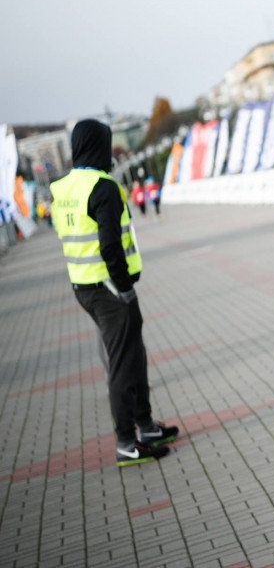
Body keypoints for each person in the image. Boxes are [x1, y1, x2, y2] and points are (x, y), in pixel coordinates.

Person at [50, 119, 179, 468]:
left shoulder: (63, 189)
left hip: (84, 286)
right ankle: (127, 441)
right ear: (99, 146)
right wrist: (124, 288)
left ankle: (147, 427)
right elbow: (110, 246)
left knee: (132, 355)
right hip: (109, 289)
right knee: (124, 364)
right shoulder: (102, 187)